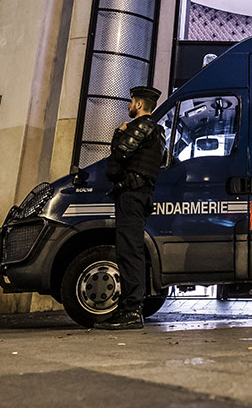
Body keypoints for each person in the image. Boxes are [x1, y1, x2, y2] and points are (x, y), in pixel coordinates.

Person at [94, 85, 165, 330]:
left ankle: (131, 310)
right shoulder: (158, 132)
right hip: (141, 195)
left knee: (128, 252)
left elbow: (117, 157)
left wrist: (118, 132)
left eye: (131, 101)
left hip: (131, 195)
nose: (128, 106)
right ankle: (130, 307)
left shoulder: (139, 127)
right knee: (132, 251)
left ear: (138, 104)